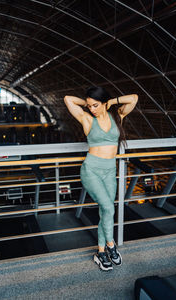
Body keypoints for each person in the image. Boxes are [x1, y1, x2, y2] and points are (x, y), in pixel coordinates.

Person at [64, 86, 138, 271]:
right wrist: (88, 102)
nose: (92, 109)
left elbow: (134, 98)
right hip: (92, 171)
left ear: (105, 103)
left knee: (106, 212)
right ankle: (111, 245)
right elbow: (68, 99)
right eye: (90, 106)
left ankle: (101, 252)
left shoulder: (117, 117)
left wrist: (112, 102)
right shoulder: (87, 119)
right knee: (106, 206)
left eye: (96, 105)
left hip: (109, 171)